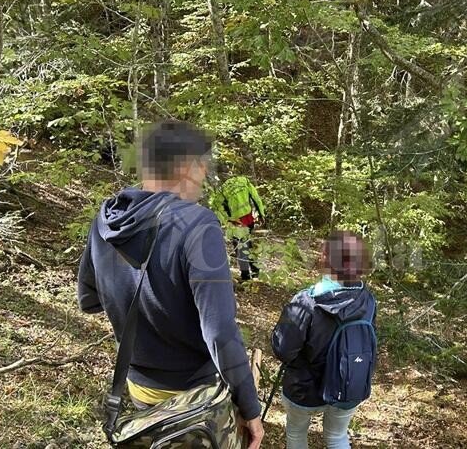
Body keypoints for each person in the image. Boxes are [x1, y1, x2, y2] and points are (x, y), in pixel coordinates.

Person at [76, 120, 264, 449]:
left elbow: (89, 300)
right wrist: (250, 407)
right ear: (187, 168)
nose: (204, 177)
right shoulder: (198, 224)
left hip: (139, 391)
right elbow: (219, 331)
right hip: (196, 399)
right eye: (203, 166)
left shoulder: (105, 221)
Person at [271, 231, 377, 449]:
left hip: (305, 388)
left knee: (296, 431)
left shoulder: (307, 301)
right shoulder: (367, 299)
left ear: (326, 259)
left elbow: (284, 349)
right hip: (348, 384)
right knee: (337, 437)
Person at [210, 174, 266, 281]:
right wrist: (261, 214)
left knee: (240, 247)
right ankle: (255, 271)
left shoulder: (223, 188)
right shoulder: (244, 181)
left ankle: (246, 275)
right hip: (248, 218)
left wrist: (226, 219)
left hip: (234, 222)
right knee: (248, 243)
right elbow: (256, 198)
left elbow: (216, 205)